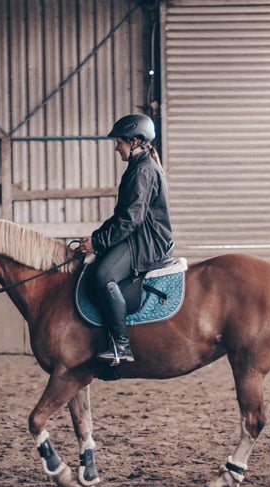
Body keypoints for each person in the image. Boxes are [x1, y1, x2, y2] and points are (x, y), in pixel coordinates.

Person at [79, 113, 174, 364]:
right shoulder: (139, 166)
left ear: (134, 142)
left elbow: (131, 218)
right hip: (137, 236)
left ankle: (121, 344)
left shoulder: (143, 171)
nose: (116, 146)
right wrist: (96, 237)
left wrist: (98, 243)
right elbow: (121, 215)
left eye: (119, 141)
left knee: (103, 275)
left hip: (146, 242)